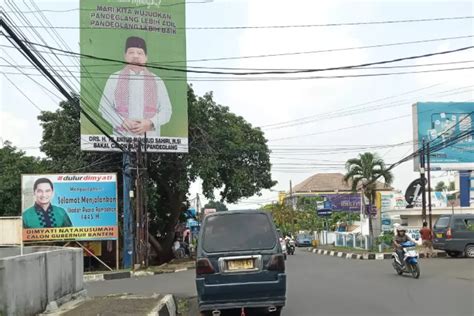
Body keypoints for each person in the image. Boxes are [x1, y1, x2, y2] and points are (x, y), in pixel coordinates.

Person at [99, 36, 172, 137]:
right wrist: (121, 121)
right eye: (131, 52)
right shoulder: (114, 78)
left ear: (146, 57)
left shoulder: (157, 81)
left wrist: (150, 122)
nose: (135, 56)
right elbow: (104, 107)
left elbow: (166, 110)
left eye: (139, 53)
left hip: (151, 140)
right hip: (122, 138)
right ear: (125, 56)